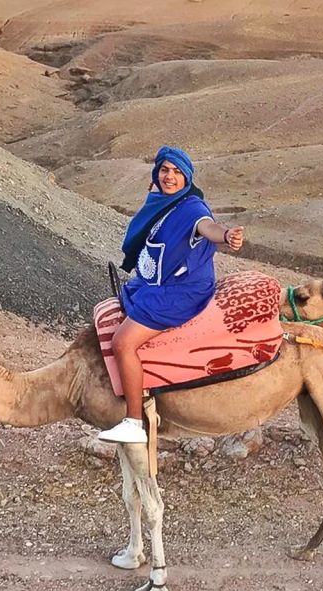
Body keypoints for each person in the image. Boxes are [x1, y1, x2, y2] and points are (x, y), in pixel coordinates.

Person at [98, 146, 245, 443]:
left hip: (184, 290)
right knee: (130, 299)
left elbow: (207, 227)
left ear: (187, 177)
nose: (170, 177)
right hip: (160, 282)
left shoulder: (192, 209)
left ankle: (133, 421)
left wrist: (226, 236)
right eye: (165, 170)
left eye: (177, 172)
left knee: (123, 342)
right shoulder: (162, 202)